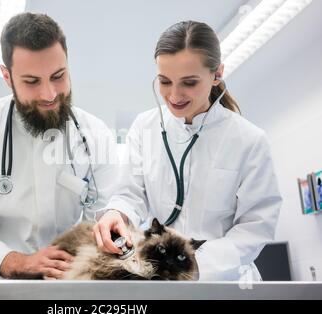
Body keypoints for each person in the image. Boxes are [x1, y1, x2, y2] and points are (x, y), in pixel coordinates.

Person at [93, 21, 282, 281]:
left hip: (223, 281)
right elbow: (130, 193)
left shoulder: (249, 140)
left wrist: (193, 264)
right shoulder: (145, 127)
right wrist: (117, 213)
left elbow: (255, 228)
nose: (174, 94)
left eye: (189, 82)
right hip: (161, 279)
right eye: (164, 81)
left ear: (217, 74)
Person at [0, 13, 117, 280]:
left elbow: (106, 218)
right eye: (32, 82)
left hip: (68, 285)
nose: (49, 94)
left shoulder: (96, 135)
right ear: (7, 77)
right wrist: (16, 262)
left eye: (58, 76)